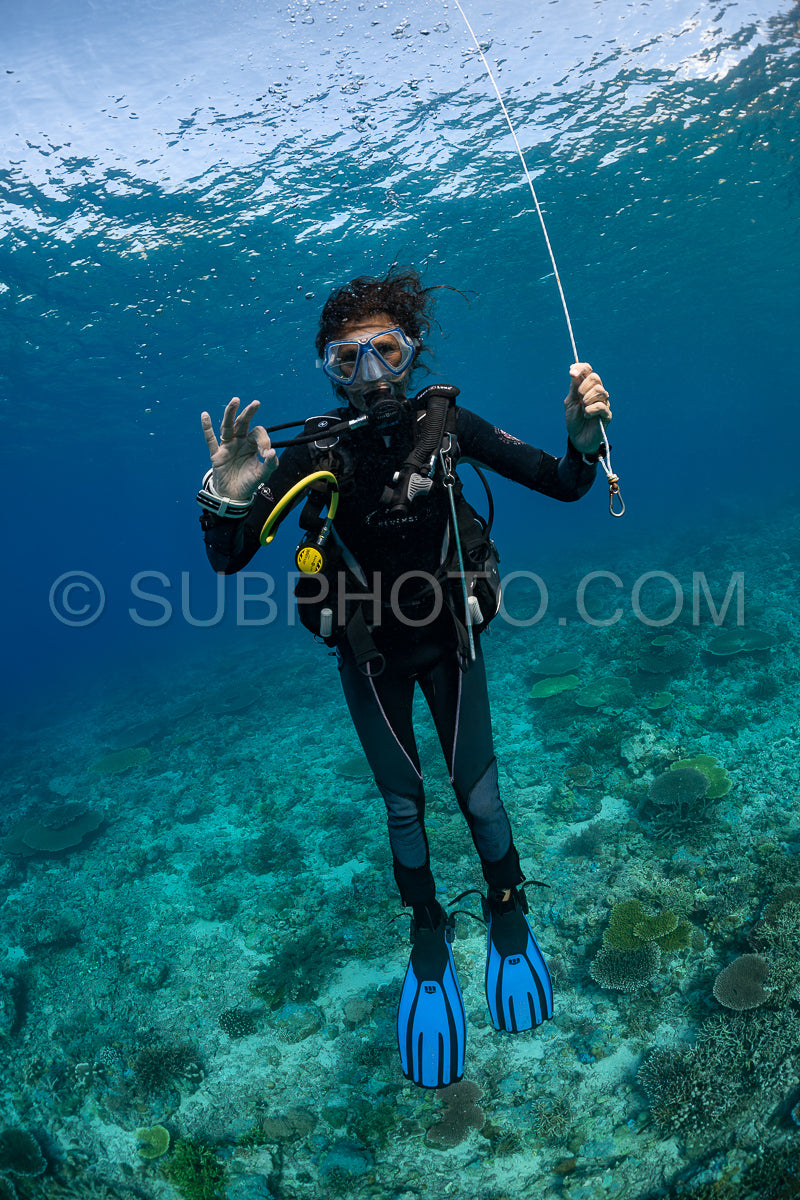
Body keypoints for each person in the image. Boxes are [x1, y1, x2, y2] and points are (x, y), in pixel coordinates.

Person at [196, 267, 611, 1089]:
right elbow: (227, 557)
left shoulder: (448, 425)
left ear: (413, 354)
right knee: (403, 806)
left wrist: (582, 441)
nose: (372, 376)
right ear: (327, 370)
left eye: (386, 351)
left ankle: (505, 906)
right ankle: (427, 930)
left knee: (480, 796)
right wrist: (228, 494)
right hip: (369, 656)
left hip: (451, 642)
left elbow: (564, 485)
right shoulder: (315, 452)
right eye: (347, 361)